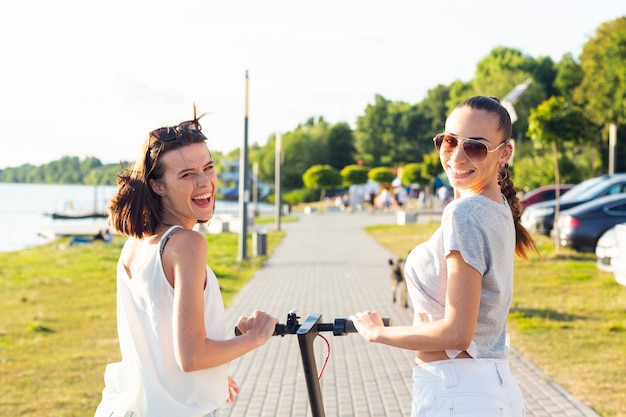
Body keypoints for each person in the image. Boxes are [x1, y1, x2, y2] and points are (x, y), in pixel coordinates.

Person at [351, 96, 538, 417]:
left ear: (505, 153)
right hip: (488, 387)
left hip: (457, 393)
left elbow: (457, 333)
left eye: (475, 147)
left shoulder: (464, 213)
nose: (457, 155)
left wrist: (378, 333)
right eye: (448, 142)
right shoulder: (497, 207)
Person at [94, 106, 278, 417]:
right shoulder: (187, 244)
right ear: (157, 185)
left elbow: (158, 344)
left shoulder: (134, 245)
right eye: (187, 174)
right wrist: (256, 337)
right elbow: (192, 356)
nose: (205, 182)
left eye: (208, 167)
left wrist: (212, 378)